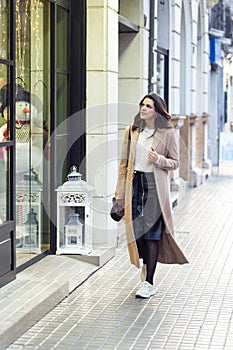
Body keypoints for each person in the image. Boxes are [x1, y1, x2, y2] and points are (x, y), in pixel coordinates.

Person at [114, 93, 188, 299]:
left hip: (155, 187)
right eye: (142, 105)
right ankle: (148, 263)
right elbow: (123, 165)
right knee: (137, 233)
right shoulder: (132, 132)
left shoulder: (167, 132)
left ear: (157, 111)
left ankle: (149, 283)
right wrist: (119, 194)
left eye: (148, 106)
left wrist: (159, 159)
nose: (143, 108)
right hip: (135, 185)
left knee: (152, 234)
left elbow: (175, 162)